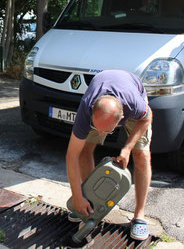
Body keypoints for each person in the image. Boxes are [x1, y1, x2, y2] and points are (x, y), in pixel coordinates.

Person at [65, 70, 152, 241]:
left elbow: (147, 118)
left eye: (107, 130)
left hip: (131, 92)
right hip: (102, 93)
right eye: (97, 127)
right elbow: (71, 156)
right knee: (84, 151)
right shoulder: (86, 108)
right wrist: (77, 196)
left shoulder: (134, 106)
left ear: (122, 118)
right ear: (92, 110)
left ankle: (139, 216)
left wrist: (127, 149)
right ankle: (91, 205)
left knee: (142, 156)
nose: (101, 133)